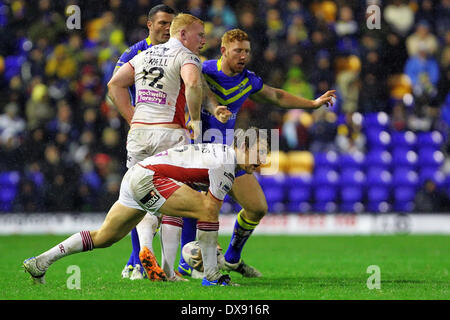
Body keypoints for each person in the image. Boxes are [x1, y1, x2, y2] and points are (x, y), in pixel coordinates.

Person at [176, 29, 336, 278]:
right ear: (223, 51)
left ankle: (231, 258)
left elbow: (276, 96)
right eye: (238, 51)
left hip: (227, 154)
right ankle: (185, 262)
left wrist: (312, 104)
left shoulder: (247, 80)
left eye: (247, 51)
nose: (243, 56)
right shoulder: (202, 70)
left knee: (257, 207)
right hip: (197, 150)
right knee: (195, 207)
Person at [23, 129, 267, 287]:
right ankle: (212, 277)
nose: (262, 160)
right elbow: (209, 212)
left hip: (136, 175)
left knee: (105, 236)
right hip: (150, 178)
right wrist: (209, 253)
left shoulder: (220, 156)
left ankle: (41, 262)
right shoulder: (226, 163)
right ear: (244, 146)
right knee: (206, 210)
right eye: (260, 151)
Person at [107, 12, 208, 281]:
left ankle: (144, 253)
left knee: (141, 200)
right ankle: (171, 266)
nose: (203, 40)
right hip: (169, 134)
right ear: (183, 34)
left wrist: (132, 118)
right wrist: (196, 119)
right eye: (200, 34)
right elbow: (194, 82)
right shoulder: (186, 56)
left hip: (139, 134)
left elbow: (114, 84)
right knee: (175, 199)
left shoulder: (143, 55)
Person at [111, 4, 176, 281]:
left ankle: (170, 262)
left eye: (171, 25)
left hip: (170, 134)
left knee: (163, 199)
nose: (166, 29)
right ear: (149, 24)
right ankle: (136, 260)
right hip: (144, 136)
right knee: (140, 196)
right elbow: (114, 87)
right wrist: (132, 118)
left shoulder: (178, 51)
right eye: (162, 23)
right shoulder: (134, 53)